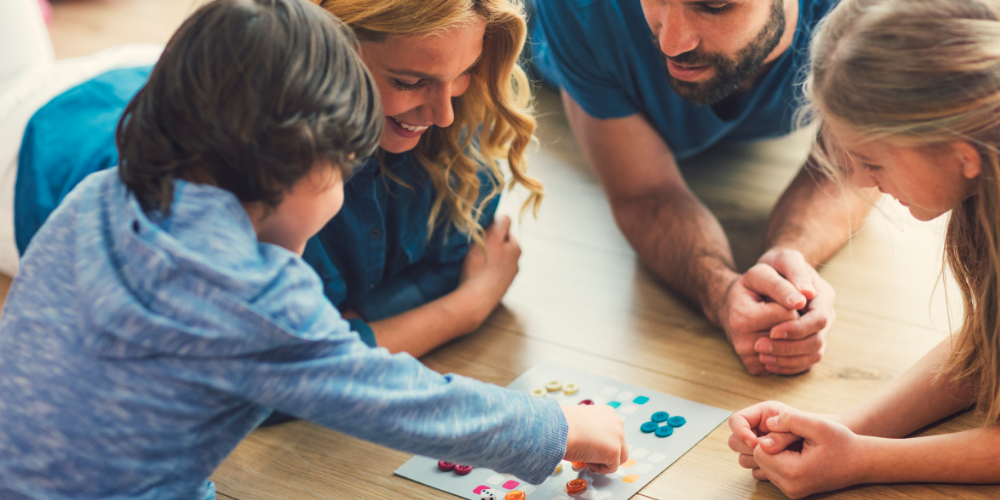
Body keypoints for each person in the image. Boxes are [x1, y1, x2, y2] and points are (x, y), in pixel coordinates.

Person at [0, 0, 628, 498]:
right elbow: (406, 402)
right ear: (294, 163)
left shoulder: (98, 198)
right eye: (343, 167)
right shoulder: (251, 297)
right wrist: (561, 427)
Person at [8, 0, 543, 360]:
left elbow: (457, 254)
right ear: (320, 54)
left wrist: (349, 328)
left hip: (153, 74)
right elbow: (264, 371)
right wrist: (464, 309)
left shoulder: (441, 120)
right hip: (35, 137)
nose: (445, 114)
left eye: (463, 76)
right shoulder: (236, 186)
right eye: (409, 82)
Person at [728, 0, 1000, 496]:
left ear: (962, 156)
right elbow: (990, 340)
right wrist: (843, 428)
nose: (857, 180)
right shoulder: (983, 173)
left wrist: (864, 461)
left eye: (872, 162)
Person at [531, 0, 868, 375]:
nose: (672, 44)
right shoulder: (578, 11)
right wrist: (722, 294)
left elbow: (853, 167)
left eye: (713, 5)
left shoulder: (873, 13)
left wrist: (789, 269)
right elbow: (644, 193)